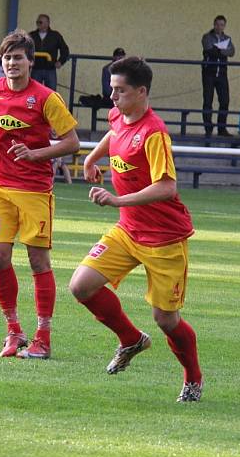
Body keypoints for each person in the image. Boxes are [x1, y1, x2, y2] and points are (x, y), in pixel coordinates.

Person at [69, 56, 202, 402]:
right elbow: (114, 133)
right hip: (128, 231)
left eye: (120, 91)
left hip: (164, 239)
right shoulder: (119, 114)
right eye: (111, 89)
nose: (112, 98)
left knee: (166, 319)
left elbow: (167, 187)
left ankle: (193, 378)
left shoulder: (154, 134)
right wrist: (90, 157)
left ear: (141, 92)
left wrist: (116, 201)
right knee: (81, 286)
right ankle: (130, 339)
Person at [0, 29, 80, 359]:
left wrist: (37, 154)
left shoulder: (47, 98)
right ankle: (13, 330)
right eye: (6, 58)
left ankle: (43, 337)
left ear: (30, 62)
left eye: (17, 57)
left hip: (35, 190)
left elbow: (72, 142)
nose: (11, 63)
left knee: (37, 261)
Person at [201, 15, 235, 137]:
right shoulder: (207, 37)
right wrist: (222, 50)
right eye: (217, 24)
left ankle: (222, 128)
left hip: (222, 74)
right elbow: (209, 50)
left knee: (225, 101)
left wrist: (219, 50)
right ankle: (208, 128)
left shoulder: (227, 38)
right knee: (208, 101)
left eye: (222, 25)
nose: (219, 27)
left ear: (224, 26)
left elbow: (232, 52)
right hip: (209, 73)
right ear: (214, 24)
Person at [29, 14, 70, 91]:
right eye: (37, 22)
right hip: (36, 68)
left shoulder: (55, 35)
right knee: (34, 93)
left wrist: (61, 61)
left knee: (51, 94)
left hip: (50, 69)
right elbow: (25, 49)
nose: (38, 24)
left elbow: (65, 50)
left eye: (40, 22)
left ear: (47, 23)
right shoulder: (31, 35)